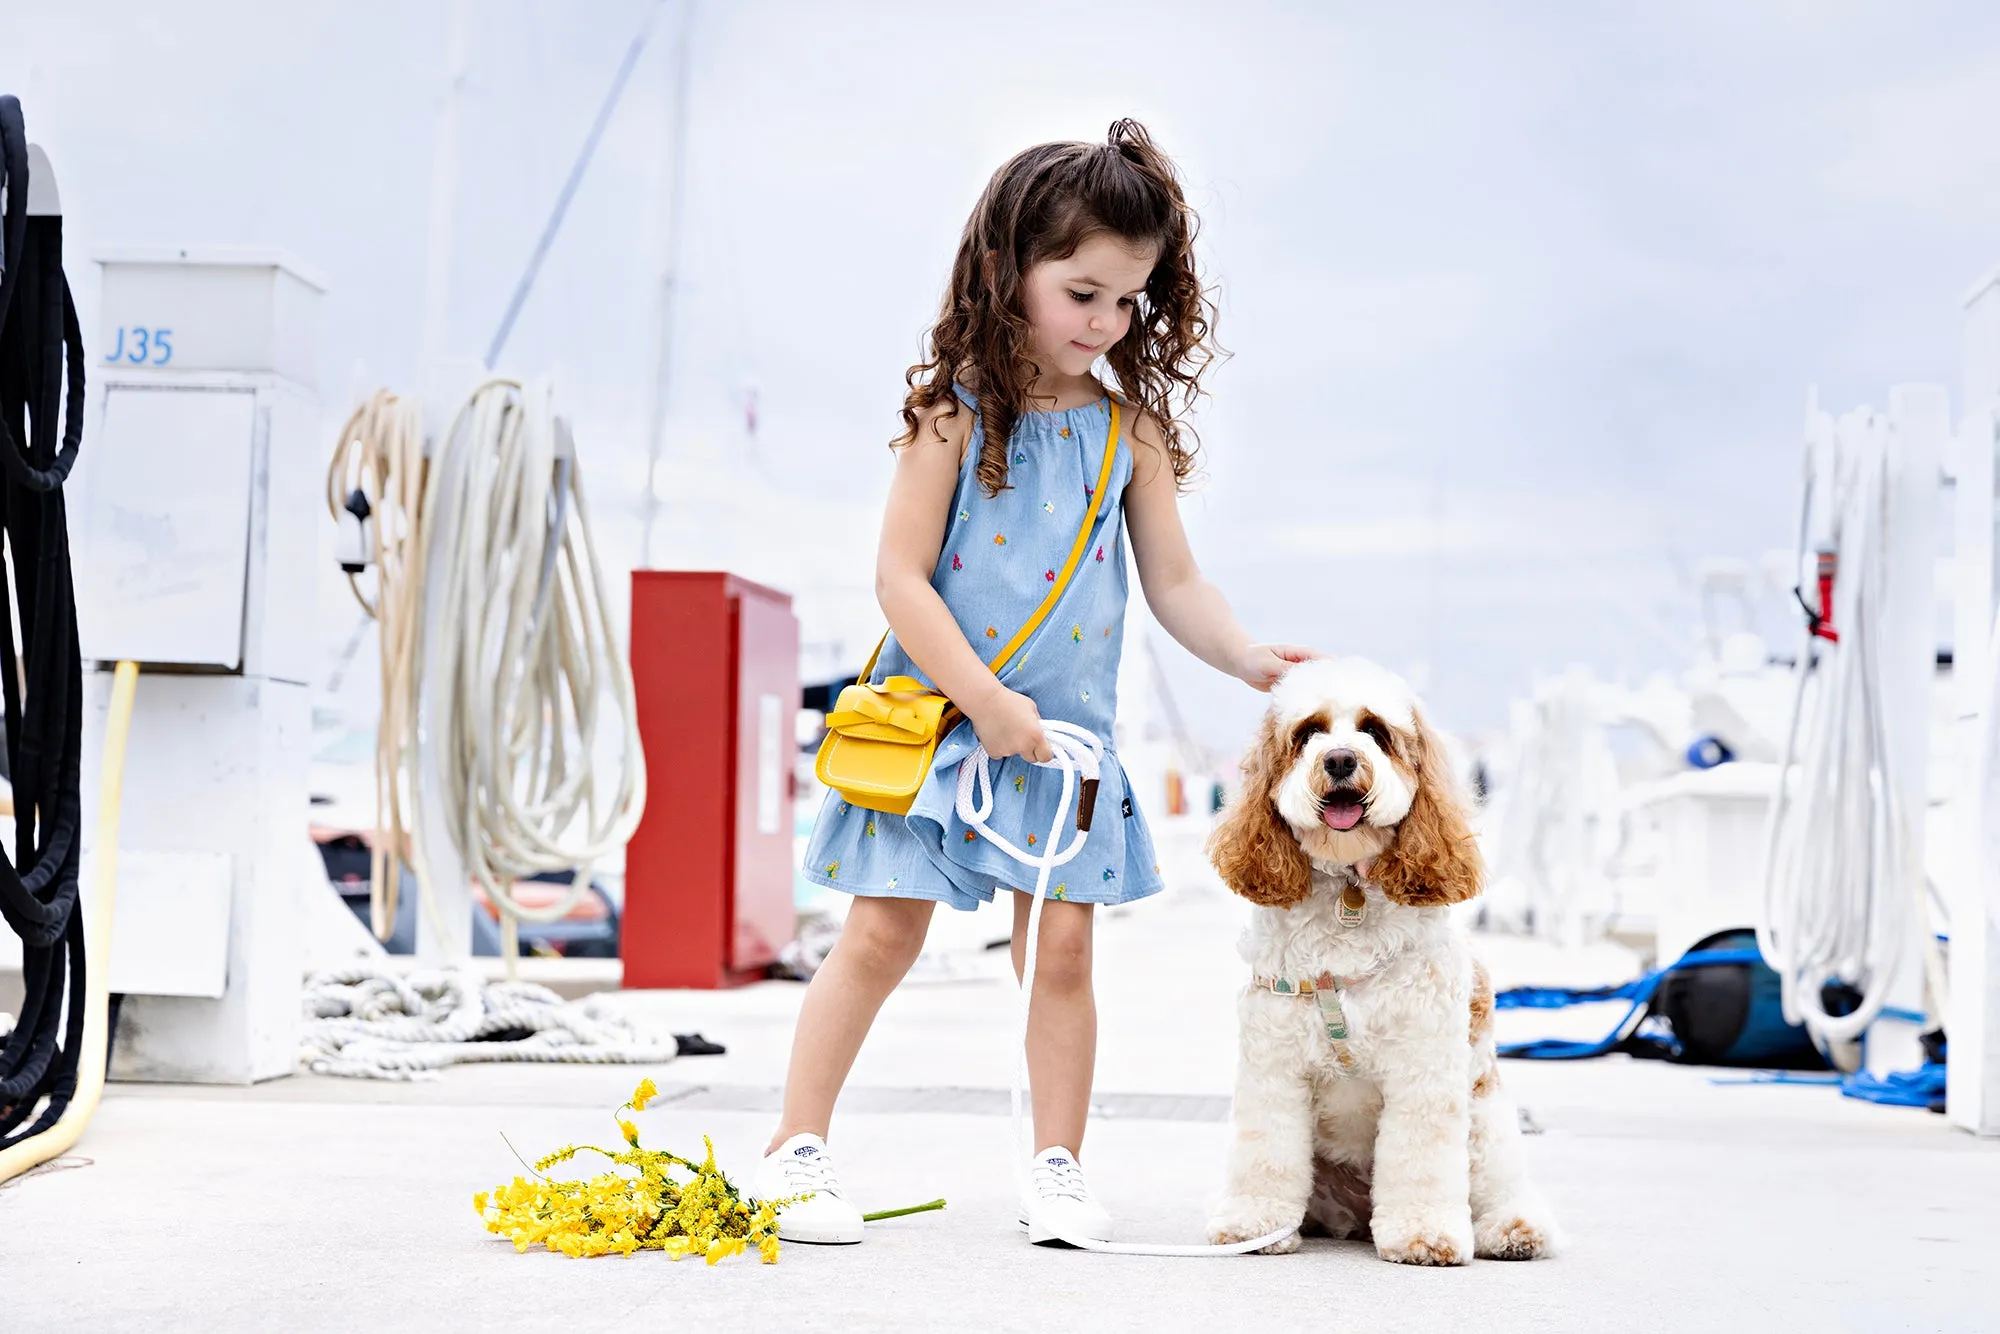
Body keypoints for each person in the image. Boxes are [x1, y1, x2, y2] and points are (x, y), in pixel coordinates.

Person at [754, 119, 1317, 1246]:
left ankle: (1057, 1165)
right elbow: (899, 581)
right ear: (1009, 270)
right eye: (1083, 292)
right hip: (939, 726)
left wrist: (1249, 656)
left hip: (1060, 743)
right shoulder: (949, 417)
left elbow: (1175, 583)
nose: (1105, 322)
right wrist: (986, 706)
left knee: (1059, 951)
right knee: (878, 934)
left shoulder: (1129, 435)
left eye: (1127, 301)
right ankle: (793, 1145)